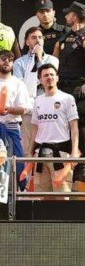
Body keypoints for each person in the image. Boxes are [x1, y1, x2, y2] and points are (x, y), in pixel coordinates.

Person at [54, 2, 85, 183]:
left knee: (81, 128)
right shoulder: (63, 38)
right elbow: (55, 62)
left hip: (80, 89)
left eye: (68, 14)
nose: (66, 17)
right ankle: (62, 167)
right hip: (62, 89)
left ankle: (83, 168)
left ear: (75, 16)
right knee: (60, 127)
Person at [26, 64, 80, 197]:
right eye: (45, 75)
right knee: (40, 196)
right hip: (40, 154)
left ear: (57, 78)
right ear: (40, 80)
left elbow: (74, 128)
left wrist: (74, 151)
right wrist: (29, 152)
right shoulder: (38, 100)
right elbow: (35, 128)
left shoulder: (67, 98)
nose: (49, 77)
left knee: (62, 196)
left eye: (51, 74)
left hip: (60, 153)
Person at [13, 28, 59, 157]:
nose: (37, 40)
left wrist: (39, 59)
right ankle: (26, 177)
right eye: (33, 37)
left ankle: (45, 176)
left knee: (48, 146)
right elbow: (21, 86)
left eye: (40, 37)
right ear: (27, 42)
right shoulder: (19, 63)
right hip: (28, 109)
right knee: (27, 147)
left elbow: (49, 81)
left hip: (48, 108)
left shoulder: (53, 60)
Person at [0, 50, 33, 185]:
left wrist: (7, 109)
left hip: (12, 128)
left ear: (13, 63)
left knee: (16, 164)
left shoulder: (18, 83)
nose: (6, 61)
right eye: (3, 58)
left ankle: (17, 195)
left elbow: (24, 109)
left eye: (10, 59)